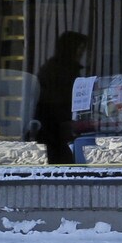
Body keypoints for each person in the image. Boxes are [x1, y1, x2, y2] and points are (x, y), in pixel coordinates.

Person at [33, 31, 90, 165]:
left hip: (60, 128)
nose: (81, 53)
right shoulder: (57, 70)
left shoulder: (63, 68)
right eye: (80, 48)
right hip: (56, 128)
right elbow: (54, 100)